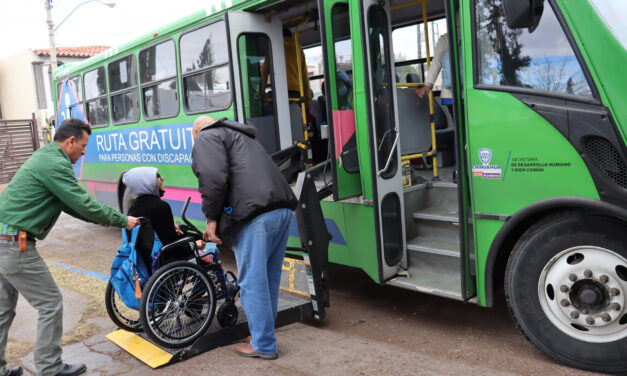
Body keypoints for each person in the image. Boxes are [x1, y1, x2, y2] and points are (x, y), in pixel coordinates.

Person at [0, 119, 140, 376]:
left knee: (3, 309)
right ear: (71, 141)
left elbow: (70, 205)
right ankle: (50, 368)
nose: (84, 152)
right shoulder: (56, 164)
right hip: (13, 244)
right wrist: (120, 219)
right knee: (50, 304)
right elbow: (80, 200)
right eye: (83, 146)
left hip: (3, 239)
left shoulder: (45, 156)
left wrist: (98, 218)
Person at [191, 115, 297, 360]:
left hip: (254, 215)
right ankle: (262, 335)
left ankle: (264, 344)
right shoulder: (241, 136)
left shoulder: (206, 137)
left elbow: (212, 178)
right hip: (282, 210)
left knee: (251, 282)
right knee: (268, 280)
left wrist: (211, 220)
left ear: (196, 133)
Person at [122, 166, 205, 264]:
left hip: (145, 262)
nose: (162, 178)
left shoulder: (133, 207)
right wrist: (194, 244)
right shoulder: (161, 207)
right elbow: (172, 247)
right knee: (212, 250)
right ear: (148, 182)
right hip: (164, 261)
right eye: (157, 176)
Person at [261, 28, 312, 110]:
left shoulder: (273, 49)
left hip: (279, 91)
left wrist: (262, 93)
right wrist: (308, 99)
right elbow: (305, 76)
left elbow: (264, 73)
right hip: (297, 93)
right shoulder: (299, 51)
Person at [415, 33, 453, 112]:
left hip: (450, 94)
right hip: (474, 91)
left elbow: (436, 62)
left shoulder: (445, 38)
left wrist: (428, 85)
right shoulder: (473, 35)